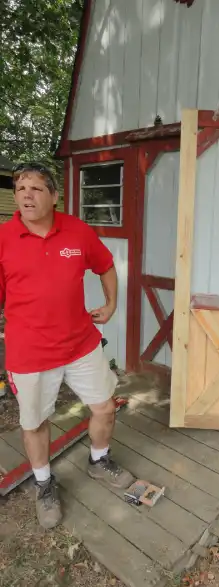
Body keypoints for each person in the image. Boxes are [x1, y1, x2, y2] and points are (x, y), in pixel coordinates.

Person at [0, 162, 134, 529]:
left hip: (80, 344)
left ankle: (99, 460)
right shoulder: (3, 238)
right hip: (29, 354)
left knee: (105, 408)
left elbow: (106, 265)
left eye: (36, 188)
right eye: (21, 188)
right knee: (34, 422)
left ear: (54, 196)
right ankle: (44, 485)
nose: (26, 194)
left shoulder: (77, 231)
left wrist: (110, 304)